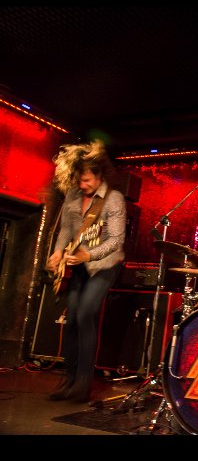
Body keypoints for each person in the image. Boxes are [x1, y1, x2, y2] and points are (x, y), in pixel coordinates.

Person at [46, 140, 126, 403]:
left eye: (87, 180)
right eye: (79, 180)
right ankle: (68, 380)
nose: (82, 185)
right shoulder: (73, 195)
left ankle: (83, 383)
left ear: (100, 176)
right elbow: (66, 229)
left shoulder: (113, 199)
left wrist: (88, 255)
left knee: (85, 314)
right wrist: (58, 252)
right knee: (71, 319)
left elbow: (116, 241)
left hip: (104, 264)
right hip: (77, 263)